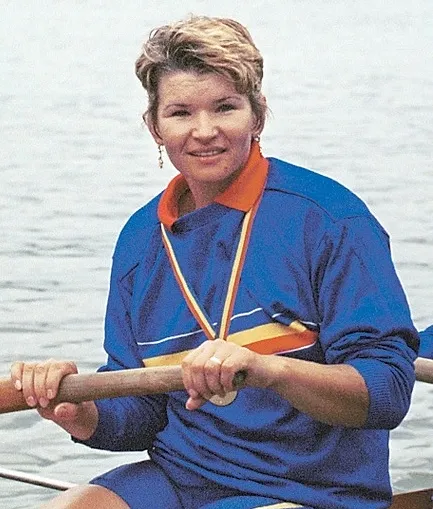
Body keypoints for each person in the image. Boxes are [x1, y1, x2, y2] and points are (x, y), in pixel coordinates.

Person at [11, 16, 419, 509]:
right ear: (154, 126)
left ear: (257, 115)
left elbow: (387, 392)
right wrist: (81, 412)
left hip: (312, 489)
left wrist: (267, 370)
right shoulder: (141, 241)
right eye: (180, 113)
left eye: (225, 107)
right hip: (181, 474)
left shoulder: (330, 219)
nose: (204, 132)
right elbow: (142, 412)